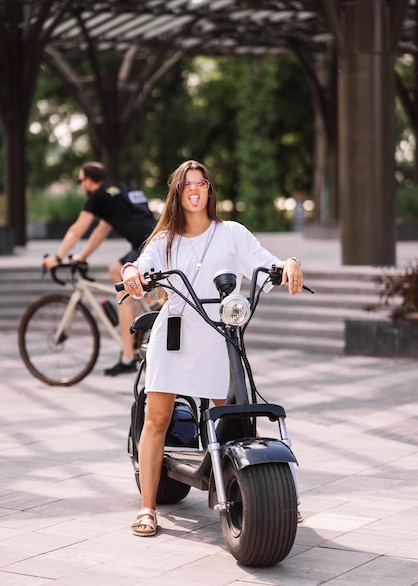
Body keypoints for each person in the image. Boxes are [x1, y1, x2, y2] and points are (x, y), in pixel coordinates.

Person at [121, 159, 304, 536]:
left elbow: (266, 262)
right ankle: (148, 508)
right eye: (186, 183)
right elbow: (139, 265)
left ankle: (262, 495)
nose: (194, 188)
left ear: (208, 189)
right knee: (157, 419)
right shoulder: (164, 240)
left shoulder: (232, 233)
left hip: (219, 332)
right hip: (175, 334)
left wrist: (289, 264)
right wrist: (131, 273)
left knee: (230, 418)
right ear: (177, 192)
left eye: (200, 182)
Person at [42, 161, 157, 375]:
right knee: (116, 269)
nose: (81, 184)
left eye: (80, 180)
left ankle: (127, 355)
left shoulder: (98, 197)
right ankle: (140, 319)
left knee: (121, 283)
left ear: (87, 180)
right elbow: (101, 231)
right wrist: (81, 256)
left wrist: (57, 258)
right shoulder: (118, 191)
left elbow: (77, 229)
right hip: (153, 241)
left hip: (147, 247)